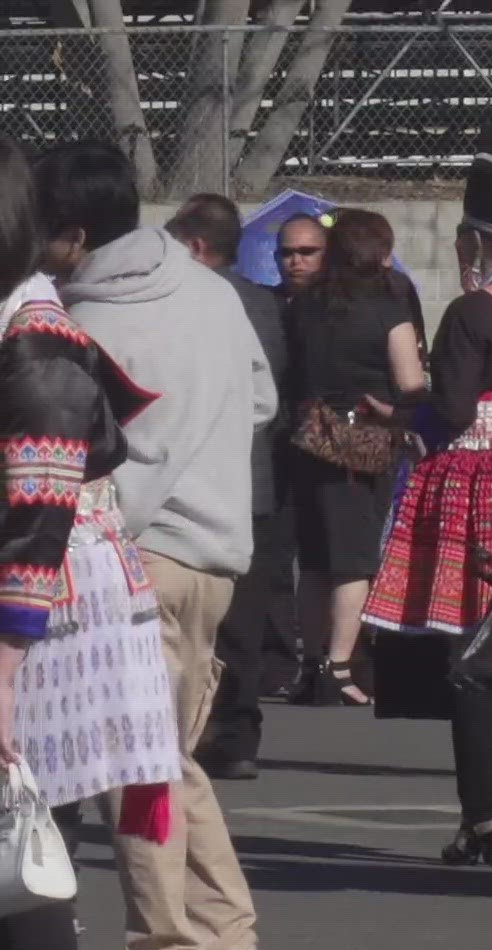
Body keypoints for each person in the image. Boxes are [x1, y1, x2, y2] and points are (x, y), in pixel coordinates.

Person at [36, 140, 276, 950]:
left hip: (138, 554)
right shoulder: (211, 289)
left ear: (70, 236)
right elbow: (262, 399)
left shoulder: (89, 325)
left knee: (134, 761)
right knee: (167, 757)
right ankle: (228, 937)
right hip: (217, 553)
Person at [0, 133, 177, 950]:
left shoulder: (38, 343)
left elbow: (35, 522)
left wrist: (2, 676)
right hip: (33, 600)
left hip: (42, 615)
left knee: (26, 861)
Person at [363, 153, 492, 867]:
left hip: (479, 484)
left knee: (475, 654)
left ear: (478, 237)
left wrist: (406, 435)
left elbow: (451, 408)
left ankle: (482, 814)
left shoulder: (474, 310)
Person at [166, 193, 294, 781]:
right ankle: (239, 733)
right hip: (254, 481)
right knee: (243, 621)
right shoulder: (263, 305)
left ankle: (188, 730)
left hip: (196, 479)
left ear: (196, 247)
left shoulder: (186, 300)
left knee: (188, 620)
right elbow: (274, 393)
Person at [284, 208, 427, 706]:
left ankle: (310, 663)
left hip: (308, 440)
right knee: (354, 561)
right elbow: (411, 382)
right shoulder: (387, 307)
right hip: (362, 445)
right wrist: (392, 409)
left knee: (316, 561)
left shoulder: (304, 305)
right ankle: (338, 667)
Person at [274, 214, 326, 298]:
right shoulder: (257, 304)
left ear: (327, 254)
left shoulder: (347, 304)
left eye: (306, 252)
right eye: (286, 253)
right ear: (276, 258)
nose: (296, 261)